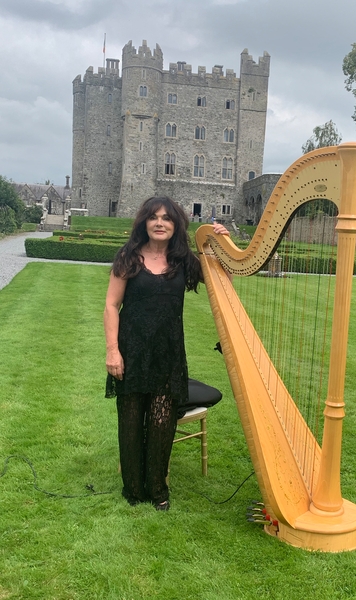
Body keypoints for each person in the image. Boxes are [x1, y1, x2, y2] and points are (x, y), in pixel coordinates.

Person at [104, 196, 228, 510]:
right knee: (130, 423)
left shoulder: (183, 260)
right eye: (154, 217)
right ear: (144, 222)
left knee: (162, 424)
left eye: (167, 218)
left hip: (169, 354)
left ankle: (158, 490)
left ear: (176, 225)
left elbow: (222, 277)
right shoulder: (128, 257)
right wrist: (113, 351)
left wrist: (224, 243)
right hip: (132, 352)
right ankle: (133, 490)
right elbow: (111, 305)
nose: (160, 223)